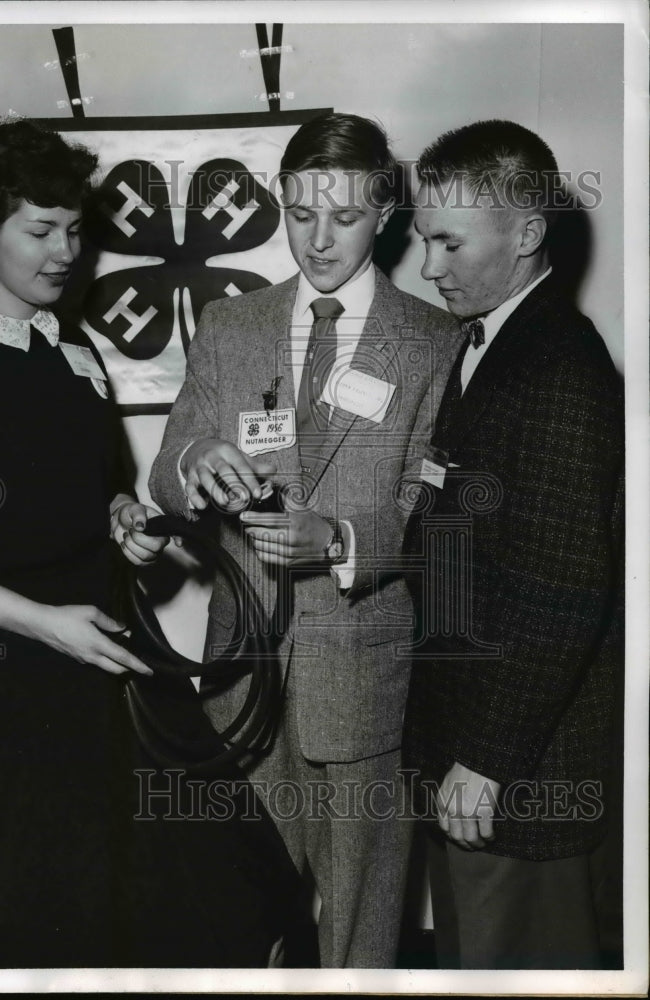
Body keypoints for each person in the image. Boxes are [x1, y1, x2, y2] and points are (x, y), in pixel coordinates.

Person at [0, 118, 300, 970]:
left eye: (74, 228)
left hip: (102, 664)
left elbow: (92, 492)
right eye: (40, 230)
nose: (65, 251)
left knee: (212, 893)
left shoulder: (79, 351)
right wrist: (45, 622)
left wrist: (123, 523)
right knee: (20, 916)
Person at [149, 112, 461, 968]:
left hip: (362, 671)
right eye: (299, 213)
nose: (318, 240)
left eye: (346, 218)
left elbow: (435, 512)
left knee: (361, 919)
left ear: (387, 216)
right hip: (241, 673)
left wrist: (344, 539)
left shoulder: (435, 342)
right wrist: (194, 461)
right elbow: (166, 471)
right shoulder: (231, 326)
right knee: (241, 906)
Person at [402, 119, 623, 969]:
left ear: (528, 234)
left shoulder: (559, 368)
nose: (429, 267)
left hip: (516, 776)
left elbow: (563, 588)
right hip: (481, 757)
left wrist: (487, 761)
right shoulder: (491, 341)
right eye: (426, 241)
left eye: (450, 242)